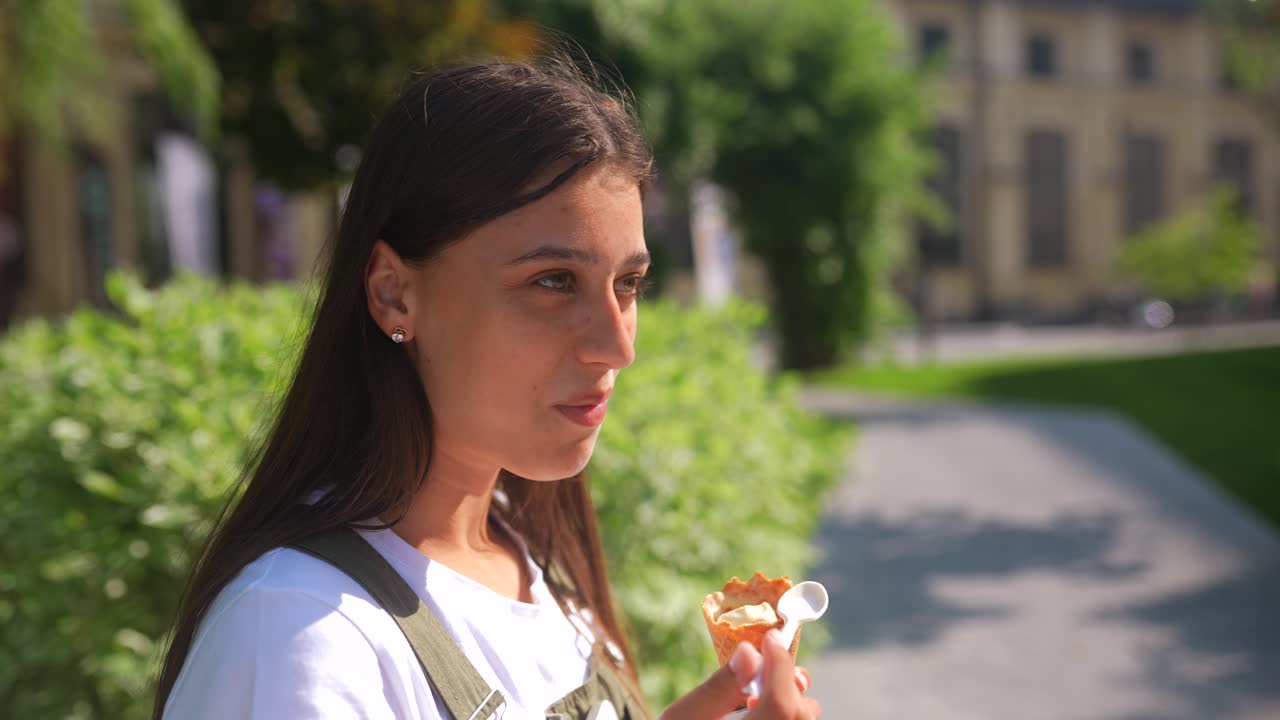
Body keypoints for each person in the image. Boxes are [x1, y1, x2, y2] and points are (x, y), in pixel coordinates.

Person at [154, 59, 821, 720]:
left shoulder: (520, 551)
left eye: (628, 285)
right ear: (393, 293)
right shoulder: (301, 637)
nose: (619, 345)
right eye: (554, 281)